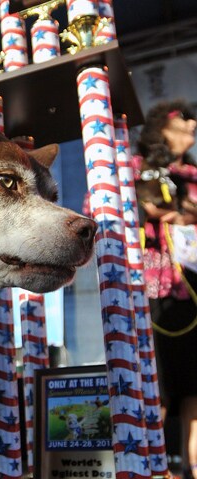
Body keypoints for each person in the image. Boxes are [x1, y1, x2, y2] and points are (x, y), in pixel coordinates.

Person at [134, 99, 197, 479]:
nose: (190, 132)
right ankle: (153, 468)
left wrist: (179, 209)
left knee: (195, 388)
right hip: (152, 290)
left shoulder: (192, 171)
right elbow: (148, 205)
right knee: (156, 386)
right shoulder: (136, 166)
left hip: (192, 290)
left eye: (193, 127)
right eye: (183, 125)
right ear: (163, 128)